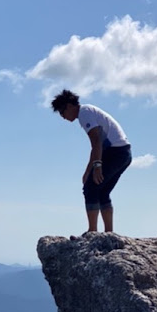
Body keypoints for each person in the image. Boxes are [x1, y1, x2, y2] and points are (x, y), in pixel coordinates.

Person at [51, 89, 132, 233]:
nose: (63, 117)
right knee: (102, 192)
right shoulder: (87, 111)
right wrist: (89, 170)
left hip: (115, 152)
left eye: (62, 112)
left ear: (69, 106)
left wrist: (97, 166)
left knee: (90, 188)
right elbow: (96, 145)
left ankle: (92, 231)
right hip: (123, 153)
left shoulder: (84, 113)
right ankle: (108, 233)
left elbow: (96, 141)